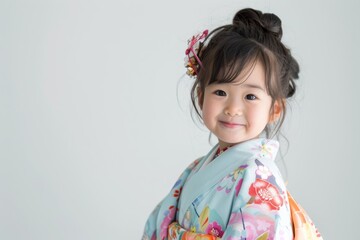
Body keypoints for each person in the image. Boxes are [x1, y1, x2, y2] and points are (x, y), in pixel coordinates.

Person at [142, 8, 322, 240]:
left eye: (250, 96)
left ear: (274, 109)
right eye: (220, 92)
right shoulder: (197, 168)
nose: (233, 108)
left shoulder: (260, 182)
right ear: (201, 96)